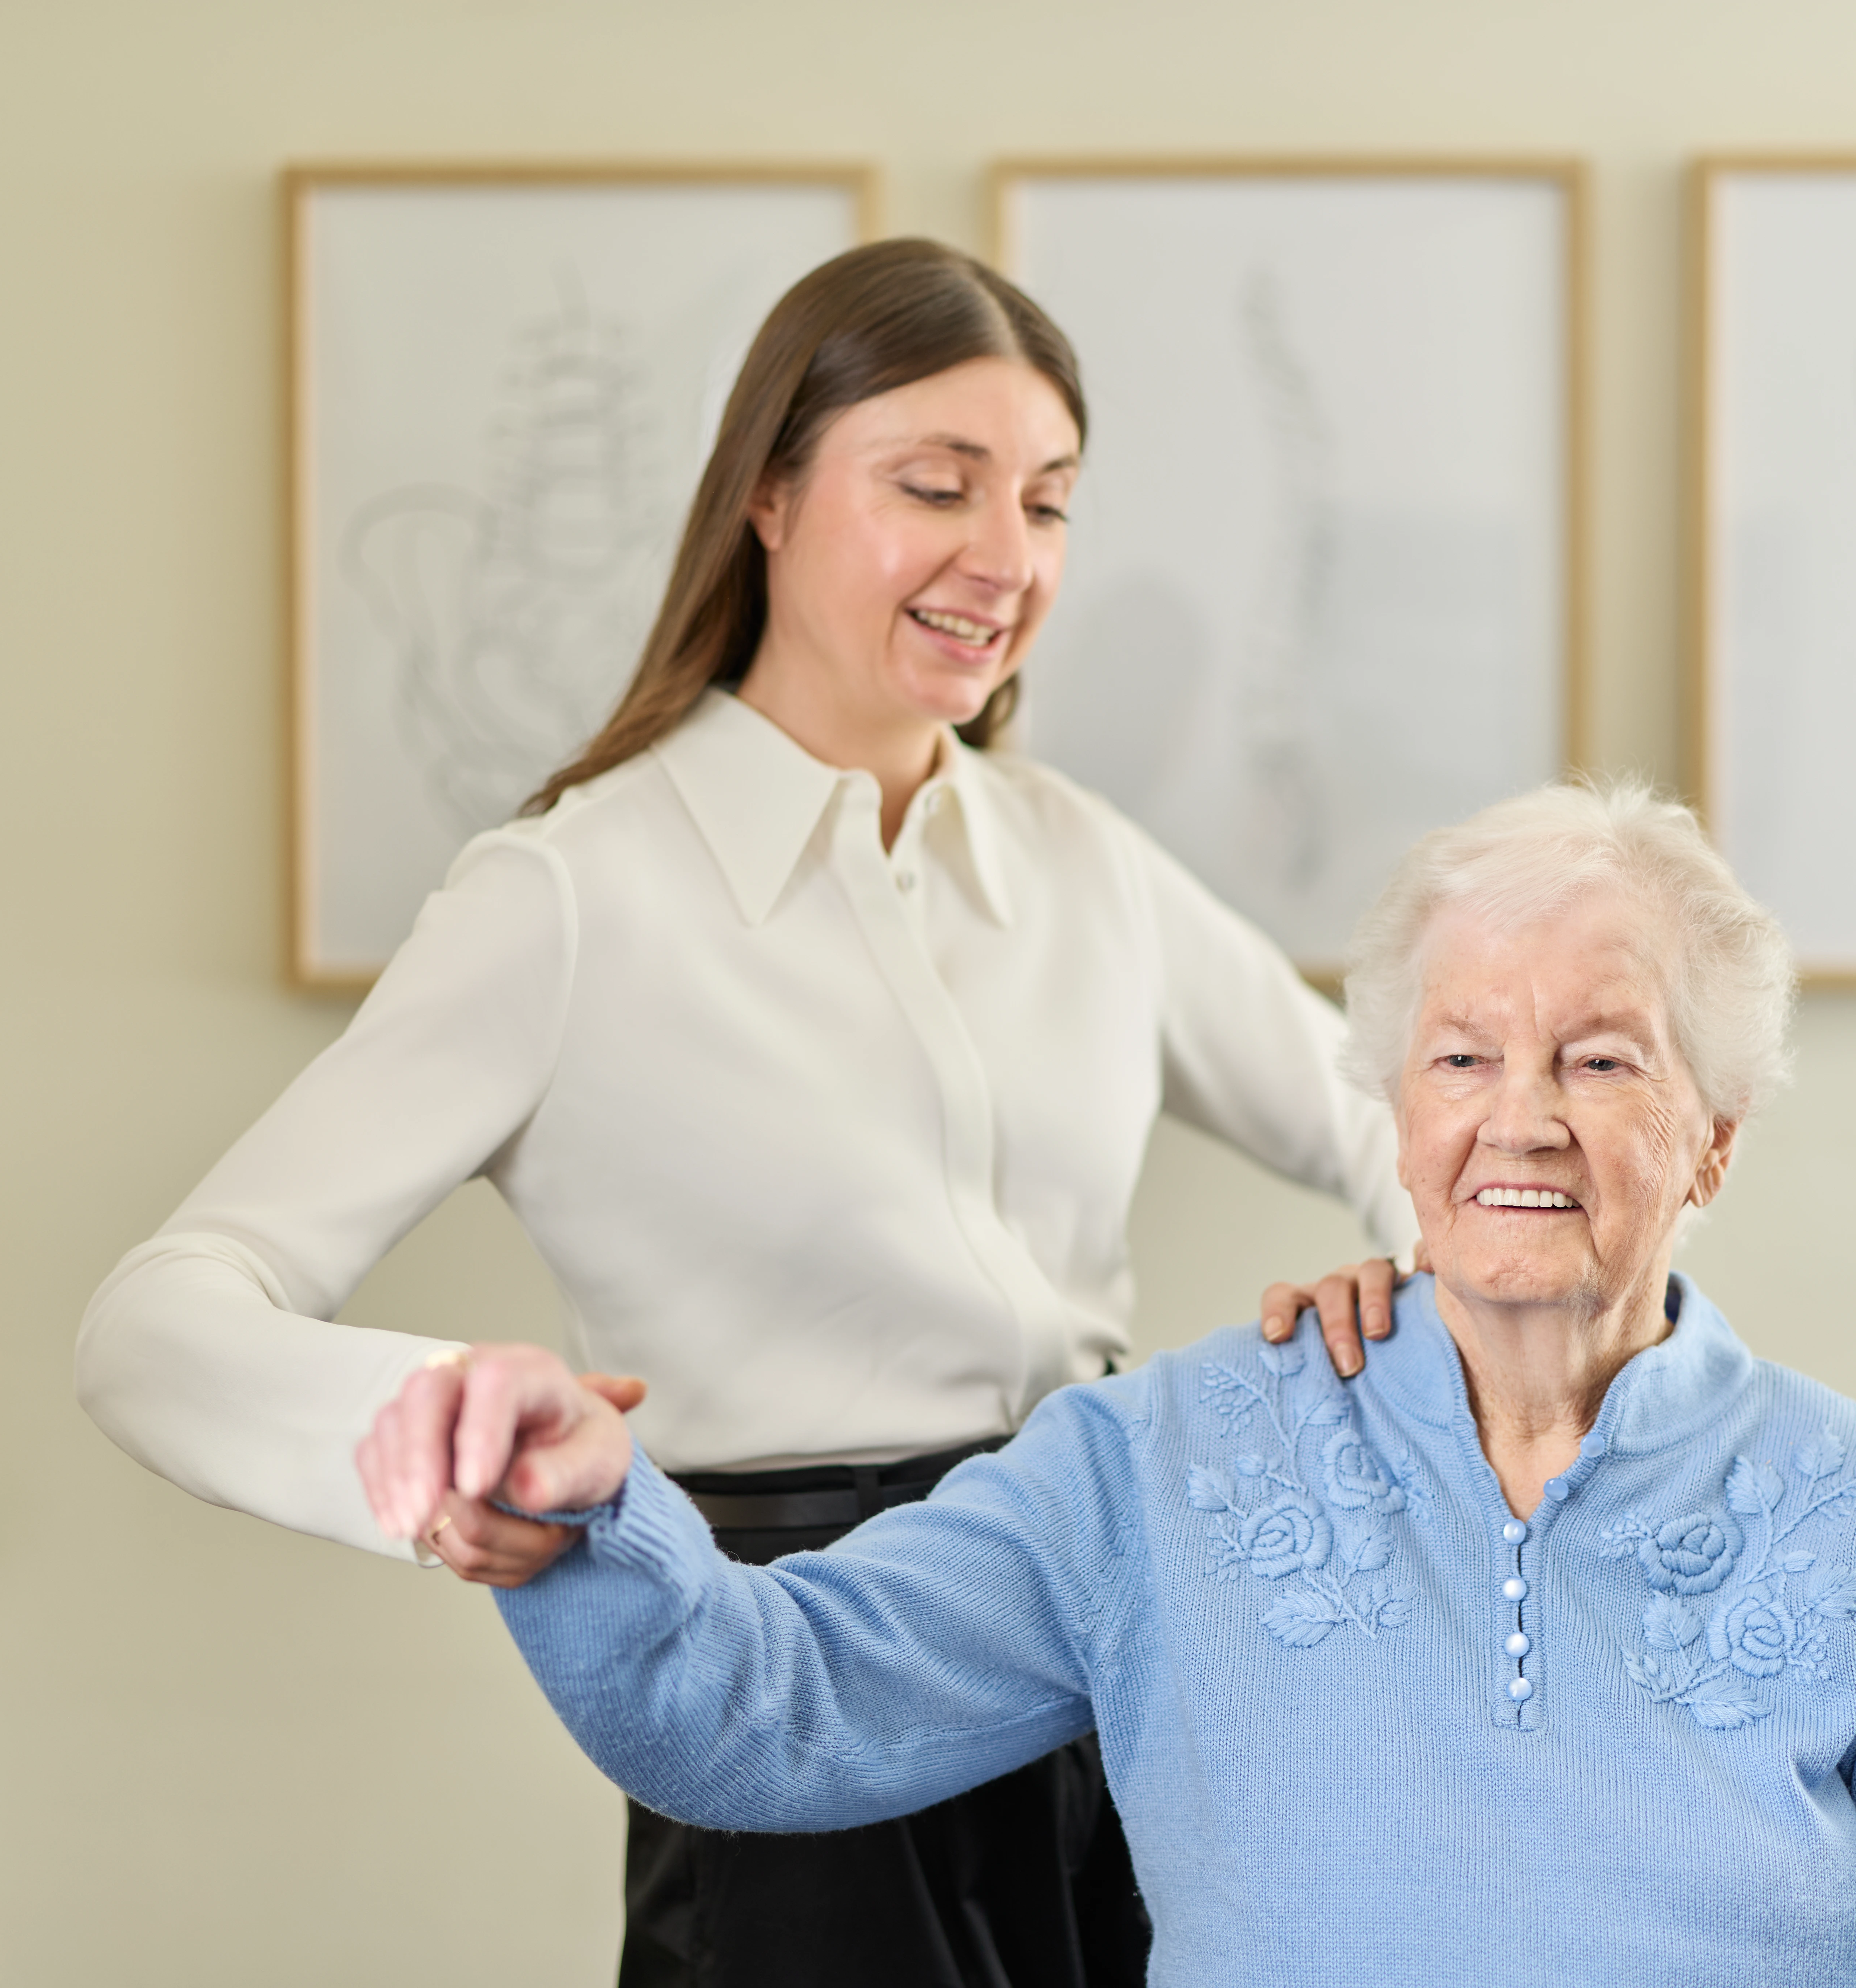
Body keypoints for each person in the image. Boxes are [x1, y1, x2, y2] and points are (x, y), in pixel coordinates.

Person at [77, 238, 1416, 1988]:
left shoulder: (1083, 866)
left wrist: (1418, 1318)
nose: (1003, 557)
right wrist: (428, 1440)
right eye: (933, 485)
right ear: (769, 496)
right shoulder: (566, 898)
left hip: (1114, 1675)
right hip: (781, 1703)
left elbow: (1404, 1132)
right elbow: (150, 1322)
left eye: (1049, 502)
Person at [365, 778, 1856, 1986]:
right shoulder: (1167, 1461)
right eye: (1458, 1054)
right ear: (1397, 1115)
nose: (1520, 1112)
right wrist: (583, 1508)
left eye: (1598, 1057)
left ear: (1708, 1143)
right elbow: (771, 1708)